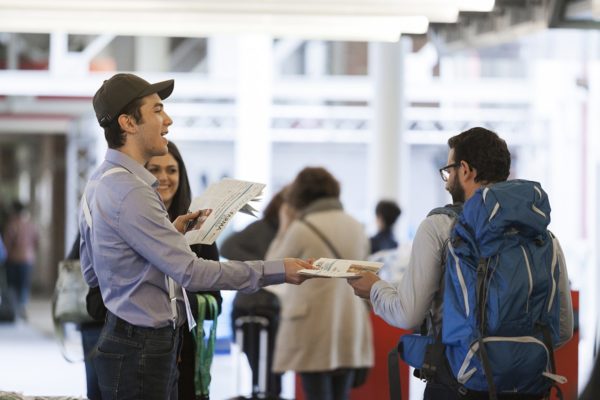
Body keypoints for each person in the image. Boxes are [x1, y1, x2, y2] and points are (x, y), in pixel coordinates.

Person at [80, 73, 312, 400]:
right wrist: (278, 270)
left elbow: (92, 271)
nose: (168, 120)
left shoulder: (100, 181)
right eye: (157, 110)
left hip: (125, 338)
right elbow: (192, 272)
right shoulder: (131, 191)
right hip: (144, 347)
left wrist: (163, 238)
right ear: (128, 123)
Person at [349, 127, 574, 400]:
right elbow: (561, 330)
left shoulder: (440, 227)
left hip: (457, 385)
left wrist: (374, 289)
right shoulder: (543, 236)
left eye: (448, 171)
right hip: (529, 388)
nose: (446, 182)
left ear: (465, 170)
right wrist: (513, 356)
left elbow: (407, 313)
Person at [266, 167, 373, 400]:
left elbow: (271, 271)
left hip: (312, 325)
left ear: (300, 195)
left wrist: (284, 225)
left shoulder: (302, 228)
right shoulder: (355, 226)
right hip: (350, 321)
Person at [221, 188, 287, 399]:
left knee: (270, 373)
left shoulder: (287, 233)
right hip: (255, 306)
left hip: (267, 305)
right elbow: (227, 246)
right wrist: (260, 267)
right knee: (266, 372)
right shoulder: (261, 228)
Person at [3, 200, 39, 320]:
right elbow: (36, 242)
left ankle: (14, 309)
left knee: (12, 286)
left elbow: (8, 243)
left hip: (13, 259)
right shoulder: (31, 225)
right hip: (28, 260)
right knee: (24, 285)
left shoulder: (12, 225)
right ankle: (22, 308)